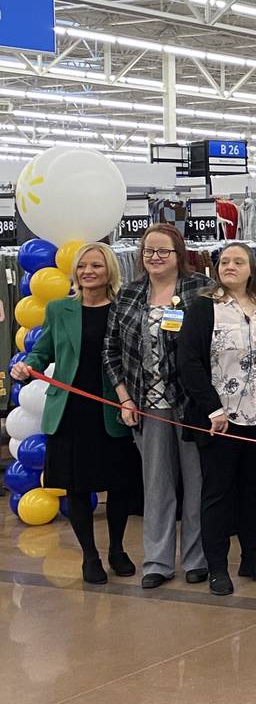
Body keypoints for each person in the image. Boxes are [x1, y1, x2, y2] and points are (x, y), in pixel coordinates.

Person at [13, 243, 138, 583]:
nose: (87, 272)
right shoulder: (59, 309)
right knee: (77, 486)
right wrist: (27, 366)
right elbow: (43, 352)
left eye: (96, 265)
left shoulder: (123, 309)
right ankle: (90, 556)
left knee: (118, 484)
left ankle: (117, 549)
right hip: (69, 411)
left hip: (112, 408)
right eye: (82, 266)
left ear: (110, 270)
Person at [106, 224, 213, 589]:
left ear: (178, 254)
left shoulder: (200, 289)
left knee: (197, 486)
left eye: (163, 251)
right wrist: (124, 398)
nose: (154, 257)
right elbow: (111, 351)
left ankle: (197, 560)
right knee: (156, 486)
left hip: (191, 405)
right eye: (148, 250)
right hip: (146, 406)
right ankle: (157, 562)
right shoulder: (129, 293)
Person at [175, 243, 256, 597]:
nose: (230, 266)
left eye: (238, 261)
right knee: (218, 493)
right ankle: (217, 567)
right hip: (220, 420)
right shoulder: (203, 307)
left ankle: (251, 558)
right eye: (224, 261)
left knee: (255, 490)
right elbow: (188, 362)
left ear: (252, 269)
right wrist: (213, 409)